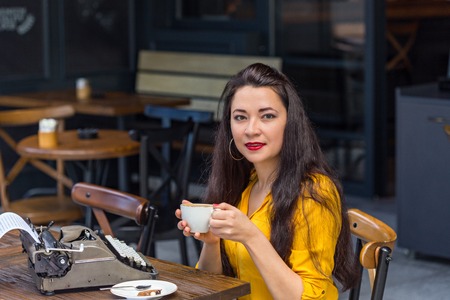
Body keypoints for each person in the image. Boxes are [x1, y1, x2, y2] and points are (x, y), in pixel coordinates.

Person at [175, 63, 359, 299]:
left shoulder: (314, 192)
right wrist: (212, 243)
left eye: (267, 116)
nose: (251, 129)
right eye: (240, 117)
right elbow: (213, 290)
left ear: (290, 122)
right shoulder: (244, 184)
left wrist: (250, 236)